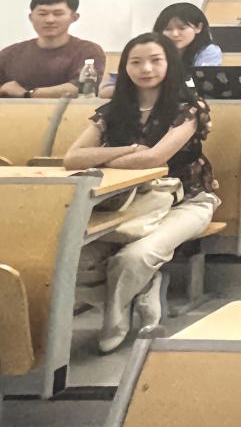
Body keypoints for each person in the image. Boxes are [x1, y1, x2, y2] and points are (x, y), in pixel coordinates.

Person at [65, 33, 218, 353]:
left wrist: (104, 158)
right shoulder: (113, 111)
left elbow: (155, 158)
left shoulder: (189, 109)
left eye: (155, 61)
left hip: (188, 201)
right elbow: (73, 157)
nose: (145, 68)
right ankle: (144, 284)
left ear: (170, 64)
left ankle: (115, 318)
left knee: (133, 257)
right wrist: (129, 150)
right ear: (125, 67)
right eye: (136, 62)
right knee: (74, 255)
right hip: (126, 202)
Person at [101, 2, 224, 98]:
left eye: (182, 28)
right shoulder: (150, 49)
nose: (175, 34)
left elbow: (200, 86)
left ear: (198, 27)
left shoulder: (208, 51)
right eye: (168, 29)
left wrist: (148, 88)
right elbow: (105, 91)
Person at [0, 0, 104, 98]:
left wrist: (28, 94)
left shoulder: (88, 50)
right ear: (31, 17)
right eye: (42, 14)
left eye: (58, 14)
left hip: (70, 109)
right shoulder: (10, 53)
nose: (49, 20)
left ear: (74, 17)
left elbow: (82, 88)